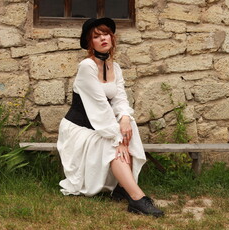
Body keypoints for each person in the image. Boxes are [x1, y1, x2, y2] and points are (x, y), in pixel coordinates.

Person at [56, 17, 164, 217]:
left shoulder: (115, 68)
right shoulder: (86, 67)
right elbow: (100, 108)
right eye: (97, 36)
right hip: (79, 130)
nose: (103, 38)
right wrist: (118, 140)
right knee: (113, 144)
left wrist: (123, 117)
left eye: (106, 34)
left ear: (112, 38)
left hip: (99, 126)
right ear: (90, 43)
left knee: (128, 123)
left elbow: (120, 99)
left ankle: (123, 189)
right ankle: (137, 198)